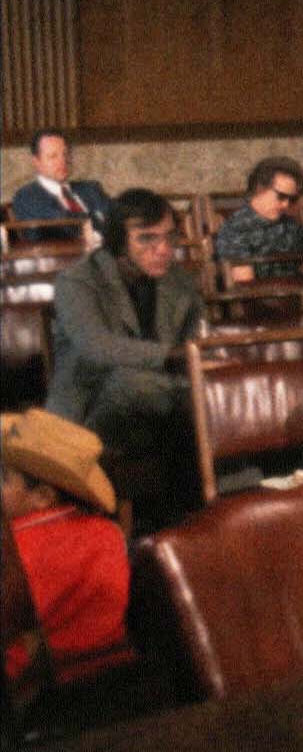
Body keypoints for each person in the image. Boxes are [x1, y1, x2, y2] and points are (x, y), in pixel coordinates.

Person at [48, 189, 202, 460]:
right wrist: (172, 355)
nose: (163, 249)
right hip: (88, 405)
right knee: (135, 384)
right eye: (146, 238)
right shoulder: (78, 281)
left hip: (158, 401)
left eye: (169, 237)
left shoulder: (180, 281)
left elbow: (196, 339)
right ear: (118, 242)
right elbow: (97, 347)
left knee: (208, 394)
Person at [2, 410, 131, 685]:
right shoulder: (108, 532)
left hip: (46, 689)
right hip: (118, 677)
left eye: (4, 478)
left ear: (42, 497)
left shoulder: (16, 549)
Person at [213, 156, 303, 281]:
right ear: (260, 188)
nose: (286, 204)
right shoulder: (236, 230)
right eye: (281, 196)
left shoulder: (291, 226)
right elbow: (244, 284)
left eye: (292, 199)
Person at [10, 129, 111, 245]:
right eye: (53, 156)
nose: (62, 161)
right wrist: (99, 220)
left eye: (65, 154)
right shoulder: (27, 196)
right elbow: (67, 226)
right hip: (65, 254)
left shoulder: (91, 188)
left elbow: (117, 217)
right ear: (36, 162)